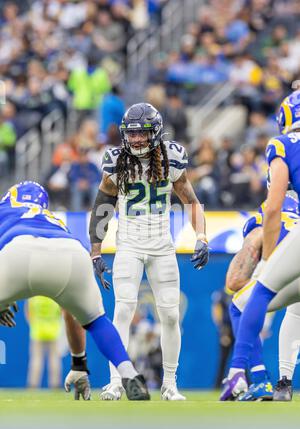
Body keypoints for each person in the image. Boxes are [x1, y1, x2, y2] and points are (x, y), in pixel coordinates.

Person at [89, 102, 209, 401]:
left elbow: (191, 202)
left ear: (155, 132)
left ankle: (170, 384)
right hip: (128, 245)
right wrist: (95, 251)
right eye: (132, 134)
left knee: (169, 316)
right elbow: (103, 206)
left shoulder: (172, 158)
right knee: (123, 311)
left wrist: (203, 236)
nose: (137, 139)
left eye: (142, 133)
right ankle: (116, 381)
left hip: (162, 248)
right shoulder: (116, 161)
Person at [0, 181, 150, 401]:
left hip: (17, 251)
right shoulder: (54, 221)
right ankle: (129, 373)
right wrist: (78, 362)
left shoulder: (5, 210)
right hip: (71, 251)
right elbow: (69, 309)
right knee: (97, 321)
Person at [220, 88, 300, 401]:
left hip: (288, 244)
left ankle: (244, 372)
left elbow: (273, 209)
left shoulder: (283, 144)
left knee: (250, 297)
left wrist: (267, 262)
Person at [225, 193, 300, 401]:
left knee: (239, 304)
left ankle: (258, 377)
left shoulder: (263, 217)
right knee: (296, 314)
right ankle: (283, 383)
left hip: (291, 277)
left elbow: (233, 282)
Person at [26, 296, 62, 389]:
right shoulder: (55, 296)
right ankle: (55, 384)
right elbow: (61, 312)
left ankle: (33, 384)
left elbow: (28, 313)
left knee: (36, 359)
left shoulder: (34, 297)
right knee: (54, 359)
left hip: (37, 331)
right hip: (54, 331)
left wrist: (33, 324)